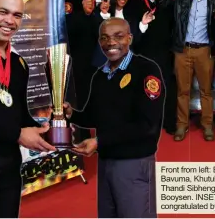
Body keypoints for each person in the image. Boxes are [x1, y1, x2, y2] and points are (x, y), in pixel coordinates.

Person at [65, 17, 165, 218]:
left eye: (118, 36)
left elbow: (148, 126)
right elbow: (95, 116)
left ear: (129, 38)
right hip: (106, 161)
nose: (111, 43)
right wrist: (70, 114)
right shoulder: (100, 75)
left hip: (133, 163)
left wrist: (99, 141)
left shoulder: (146, 70)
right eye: (105, 38)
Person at [0, 0, 56, 218]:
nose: (10, 21)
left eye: (17, 15)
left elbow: (18, 114)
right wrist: (17, 133)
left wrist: (46, 128)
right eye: (4, 12)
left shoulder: (19, 62)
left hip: (9, 167)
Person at [157, 0, 215, 142]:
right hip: (182, 50)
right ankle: (182, 125)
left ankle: (207, 125)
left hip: (205, 50)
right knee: (182, 91)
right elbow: (161, 2)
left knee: (206, 91)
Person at [136, 0, 178, 135]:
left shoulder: (166, 0)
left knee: (167, 86)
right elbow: (130, 29)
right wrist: (142, 25)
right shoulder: (133, 1)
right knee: (146, 88)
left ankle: (168, 122)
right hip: (143, 51)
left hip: (165, 50)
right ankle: (148, 122)